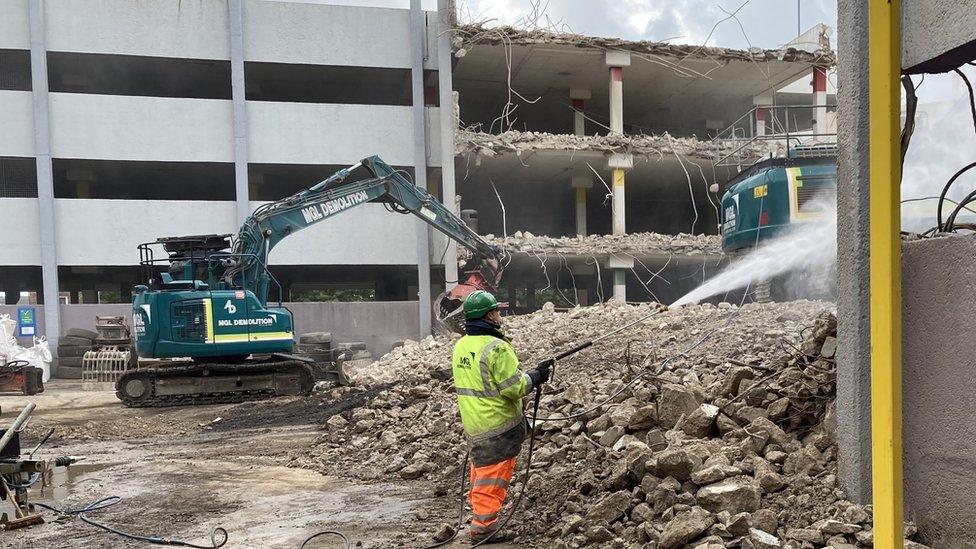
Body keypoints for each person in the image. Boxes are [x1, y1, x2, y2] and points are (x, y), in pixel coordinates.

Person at [451, 290, 551, 544]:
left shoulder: (462, 345)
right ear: (487, 317)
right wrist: (535, 377)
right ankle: (483, 527)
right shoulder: (497, 348)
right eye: (495, 311)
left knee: (481, 471)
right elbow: (514, 388)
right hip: (498, 425)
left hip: (475, 423)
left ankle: (480, 517)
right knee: (493, 476)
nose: (499, 315)